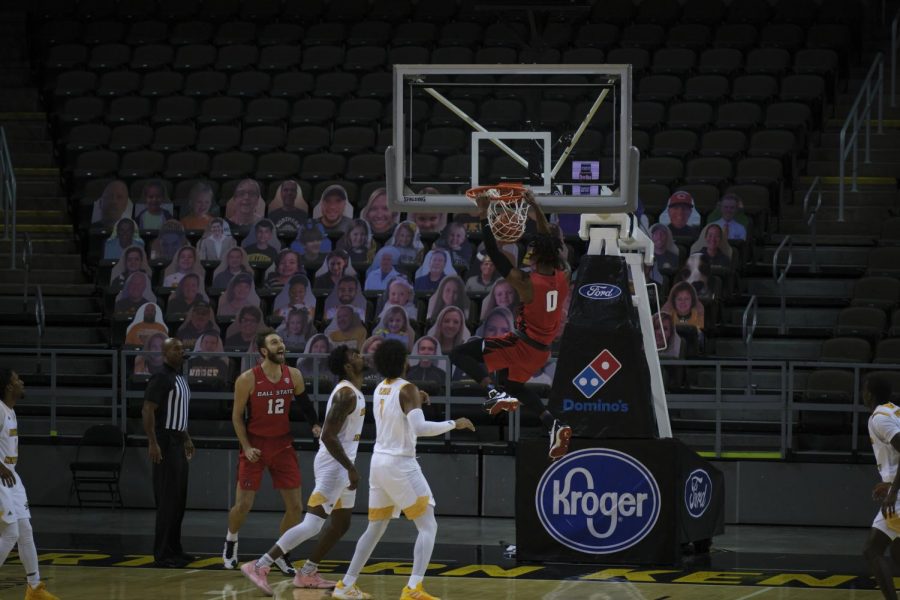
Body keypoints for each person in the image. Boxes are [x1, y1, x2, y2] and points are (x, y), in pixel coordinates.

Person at [331, 340, 474, 600]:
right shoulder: (407, 388)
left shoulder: (381, 388)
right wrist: (455, 423)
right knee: (428, 526)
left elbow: (400, 410)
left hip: (378, 463)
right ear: (403, 361)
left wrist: (417, 399)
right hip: (400, 464)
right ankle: (413, 589)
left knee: (374, 529)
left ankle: (345, 585)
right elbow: (420, 428)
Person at [449, 189, 573, 460]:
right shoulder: (563, 274)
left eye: (531, 251)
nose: (528, 254)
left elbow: (492, 251)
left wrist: (483, 214)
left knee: (459, 353)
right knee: (513, 384)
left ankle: (493, 393)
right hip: (541, 350)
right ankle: (553, 423)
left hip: (521, 345)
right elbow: (547, 238)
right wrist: (534, 207)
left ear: (536, 255)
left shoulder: (526, 283)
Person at [242, 346, 367, 594]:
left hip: (342, 463)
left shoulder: (354, 391)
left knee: (341, 523)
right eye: (355, 355)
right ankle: (260, 564)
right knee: (312, 524)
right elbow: (329, 436)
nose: (361, 356)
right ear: (347, 365)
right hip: (335, 464)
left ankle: (308, 572)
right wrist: (350, 468)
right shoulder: (346, 395)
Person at [223, 328, 322, 576]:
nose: (282, 345)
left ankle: (280, 554)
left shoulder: (294, 375)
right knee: (243, 505)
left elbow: (306, 405)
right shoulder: (247, 378)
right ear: (264, 351)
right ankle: (231, 540)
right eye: (275, 342)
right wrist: (246, 446)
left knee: (296, 507)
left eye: (282, 341)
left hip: (283, 445)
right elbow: (236, 417)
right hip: (255, 445)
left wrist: (315, 424)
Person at [0, 369, 60, 599]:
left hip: (11, 477)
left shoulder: (10, 411)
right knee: (11, 533)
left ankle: (34, 588)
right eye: (16, 379)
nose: (21, 382)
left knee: (25, 530)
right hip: (0, 477)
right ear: (7, 386)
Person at [142, 338, 195, 568]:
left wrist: (186, 437)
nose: (180, 351)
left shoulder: (180, 378)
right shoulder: (161, 377)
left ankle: (175, 549)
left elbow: (179, 414)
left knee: (178, 500)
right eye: (175, 348)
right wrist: (153, 442)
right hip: (164, 441)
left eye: (182, 348)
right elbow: (148, 409)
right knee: (167, 500)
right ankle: (162, 554)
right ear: (164, 353)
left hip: (177, 441)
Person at [863, 374, 900, 600]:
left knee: (872, 550)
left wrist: (893, 491)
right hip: (895, 488)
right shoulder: (894, 410)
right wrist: (888, 483)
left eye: (863, 389)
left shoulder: (879, 419)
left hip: (899, 495)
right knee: (896, 552)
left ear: (869, 393)